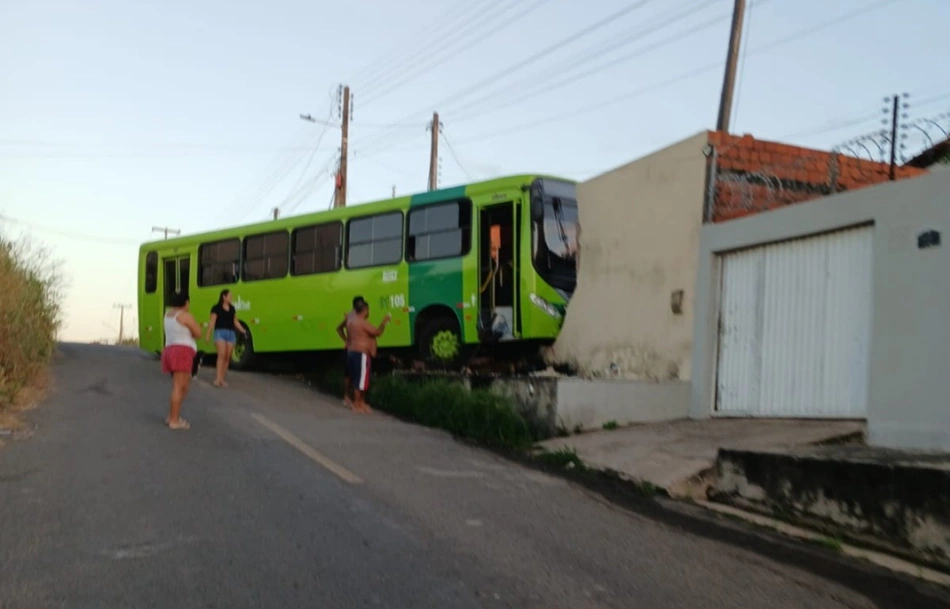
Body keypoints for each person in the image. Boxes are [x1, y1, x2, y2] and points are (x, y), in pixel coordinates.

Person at [162, 292, 202, 430]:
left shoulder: (168, 315)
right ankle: (174, 420)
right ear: (186, 303)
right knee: (179, 387)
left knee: (183, 386)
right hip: (182, 351)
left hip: (170, 350)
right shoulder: (185, 316)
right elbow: (198, 333)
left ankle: (174, 415)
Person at [345, 300, 391, 414]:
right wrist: (384, 322)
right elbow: (377, 332)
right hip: (361, 353)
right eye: (368, 310)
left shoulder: (351, 321)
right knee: (360, 380)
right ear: (364, 310)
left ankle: (361, 402)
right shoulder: (362, 322)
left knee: (358, 378)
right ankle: (357, 403)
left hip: (352, 351)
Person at [206, 288, 247, 388]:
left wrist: (243, 330)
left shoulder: (232, 308)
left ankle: (222, 379)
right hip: (220, 332)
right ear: (224, 297)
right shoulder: (216, 308)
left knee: (227, 356)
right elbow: (212, 322)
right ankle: (217, 378)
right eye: (230, 296)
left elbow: (235, 321)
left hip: (231, 333)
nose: (231, 298)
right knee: (221, 354)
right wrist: (208, 334)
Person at [336, 295, 367, 408]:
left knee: (351, 374)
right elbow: (339, 328)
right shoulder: (353, 316)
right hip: (352, 348)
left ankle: (350, 398)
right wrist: (346, 340)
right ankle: (350, 398)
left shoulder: (354, 316)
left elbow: (339, 329)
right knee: (352, 374)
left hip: (353, 347)